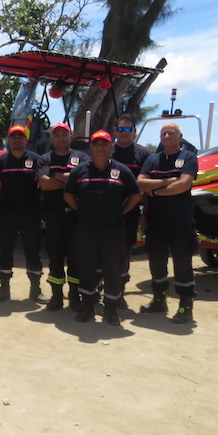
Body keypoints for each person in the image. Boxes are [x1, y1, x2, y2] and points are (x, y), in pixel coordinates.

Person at [63, 130, 142, 325]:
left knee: (112, 270)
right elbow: (68, 195)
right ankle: (87, 308)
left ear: (110, 147)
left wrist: (122, 211)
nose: (100, 147)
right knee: (87, 269)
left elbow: (135, 194)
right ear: (91, 148)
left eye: (104, 144)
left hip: (112, 230)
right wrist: (80, 210)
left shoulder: (122, 170)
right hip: (87, 229)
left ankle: (111, 310)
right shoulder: (79, 171)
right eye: (96, 144)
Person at [137, 122, 198, 323]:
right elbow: (140, 182)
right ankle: (159, 300)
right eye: (163, 133)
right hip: (156, 221)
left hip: (180, 221)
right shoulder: (153, 159)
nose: (167, 136)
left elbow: (183, 185)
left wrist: (155, 192)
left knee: (182, 263)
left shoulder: (188, 157)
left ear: (180, 136)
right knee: (156, 261)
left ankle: (185, 307)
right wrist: (166, 182)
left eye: (171, 133)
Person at [37, 123, 90, 311]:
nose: (60, 137)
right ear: (52, 138)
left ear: (71, 136)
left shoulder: (82, 157)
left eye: (64, 134)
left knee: (76, 259)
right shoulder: (44, 159)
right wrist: (70, 178)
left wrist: (57, 175)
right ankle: (56, 296)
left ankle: (74, 295)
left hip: (75, 216)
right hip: (53, 217)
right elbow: (45, 185)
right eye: (56, 135)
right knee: (55, 258)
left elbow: (83, 181)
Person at [0, 124, 46, 303]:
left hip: (30, 215)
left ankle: (36, 290)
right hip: (7, 215)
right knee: (5, 251)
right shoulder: (0, 162)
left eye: (20, 137)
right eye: (13, 137)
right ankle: (4, 289)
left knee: (33, 252)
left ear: (26, 140)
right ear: (8, 140)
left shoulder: (37, 160)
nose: (16, 140)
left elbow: (42, 188)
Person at [111, 114, 151, 307]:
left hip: (130, 213)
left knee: (124, 253)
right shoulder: (105, 150)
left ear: (134, 132)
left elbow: (148, 190)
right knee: (100, 251)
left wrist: (145, 214)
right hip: (104, 212)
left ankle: (119, 293)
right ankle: (99, 290)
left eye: (128, 129)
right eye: (120, 129)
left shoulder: (143, 155)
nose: (124, 133)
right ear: (115, 131)